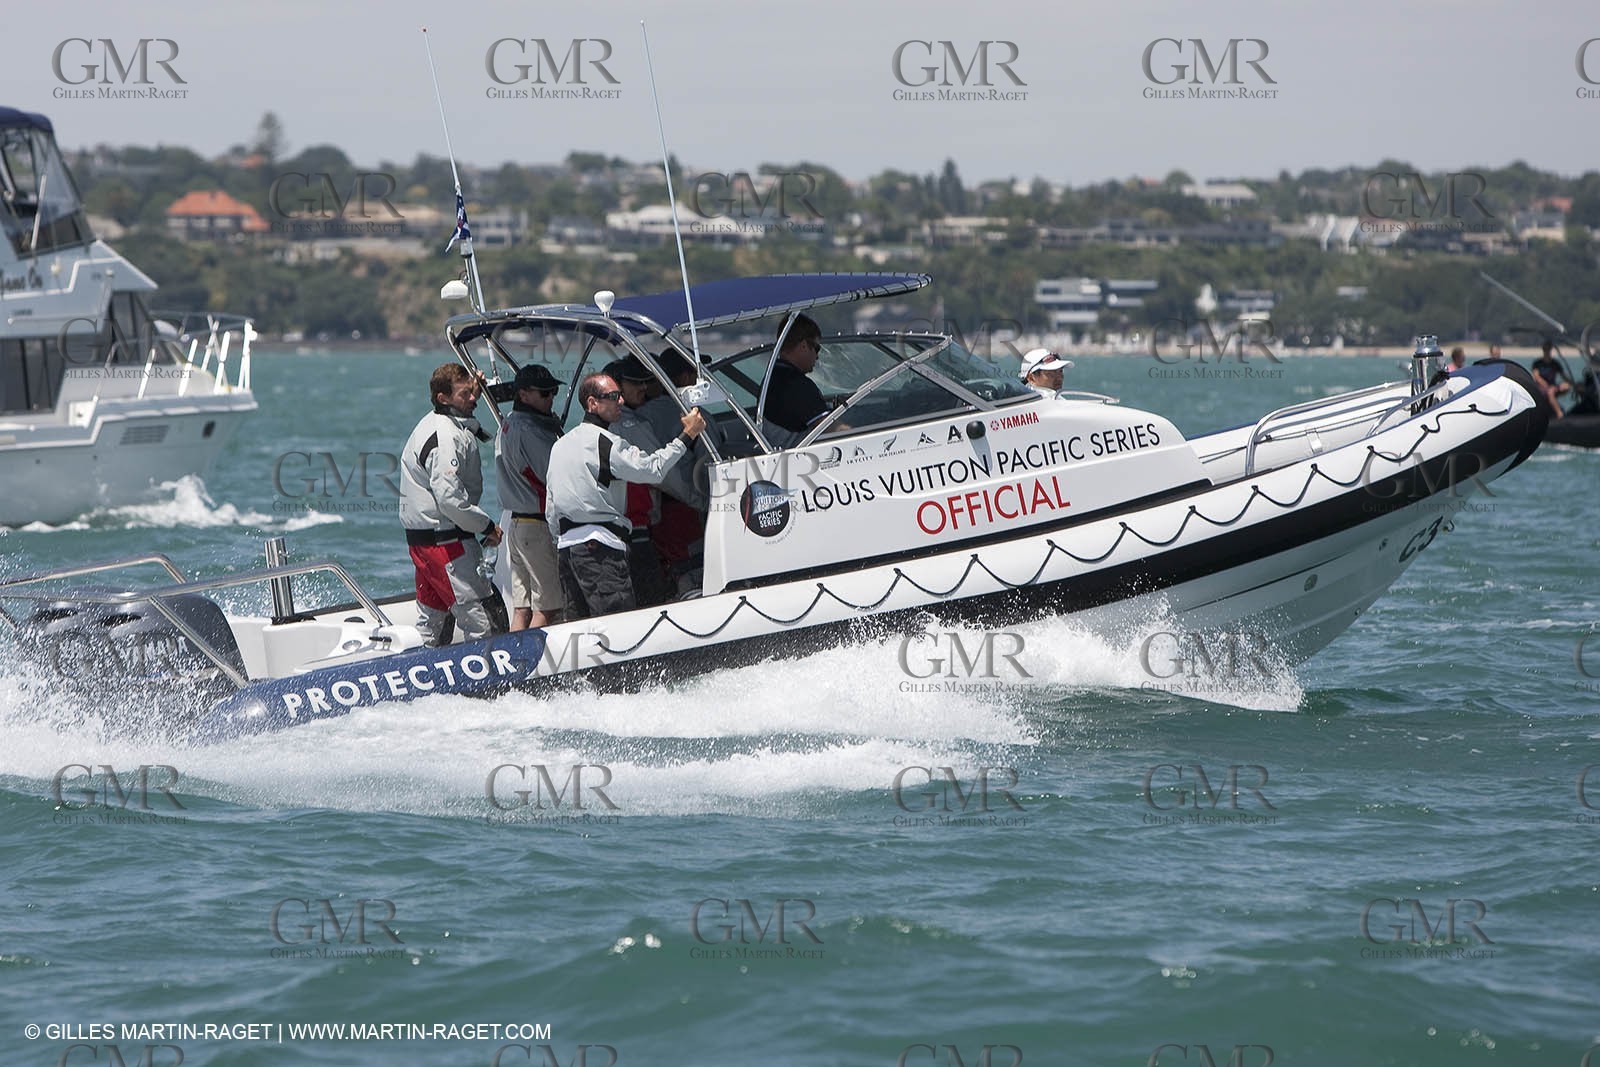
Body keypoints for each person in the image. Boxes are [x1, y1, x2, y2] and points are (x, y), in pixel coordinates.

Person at [545, 373, 705, 620]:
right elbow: (653, 469)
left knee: (578, 627)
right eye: (612, 396)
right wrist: (687, 435)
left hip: (566, 551)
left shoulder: (560, 445)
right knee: (617, 624)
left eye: (620, 395)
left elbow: (551, 508)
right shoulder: (606, 443)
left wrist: (564, 541)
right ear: (592, 404)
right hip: (599, 548)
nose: (620, 401)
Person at [400, 363, 507, 646]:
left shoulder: (437, 423)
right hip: (445, 544)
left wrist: (473, 389)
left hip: (426, 544)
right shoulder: (444, 436)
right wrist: (486, 526)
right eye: (465, 395)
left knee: (432, 623)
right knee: (484, 619)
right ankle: (494, 687)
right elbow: (449, 499)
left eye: (472, 393)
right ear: (442, 398)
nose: (472, 398)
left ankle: (422, 685)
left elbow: (471, 427)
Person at [495, 363, 565, 631]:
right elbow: (554, 476)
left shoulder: (509, 424)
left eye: (554, 392)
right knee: (548, 607)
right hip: (536, 527)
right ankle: (534, 670)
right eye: (545, 393)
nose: (551, 397)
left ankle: (513, 666)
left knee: (522, 608)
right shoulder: (531, 432)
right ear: (523, 394)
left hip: (516, 526)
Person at [761, 313, 839, 444]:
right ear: (803, 346)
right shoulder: (796, 385)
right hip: (800, 457)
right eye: (817, 348)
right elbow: (833, 429)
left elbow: (797, 409)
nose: (817, 357)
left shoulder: (774, 377)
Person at [1532, 340, 1572, 419]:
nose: (1547, 351)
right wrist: (1546, 385)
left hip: (1553, 386)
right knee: (1550, 392)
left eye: (1548, 349)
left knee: (1566, 386)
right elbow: (1536, 377)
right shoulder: (1538, 363)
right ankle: (1559, 413)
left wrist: (1571, 383)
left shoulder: (1555, 363)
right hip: (1542, 388)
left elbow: (1564, 376)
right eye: (1545, 349)